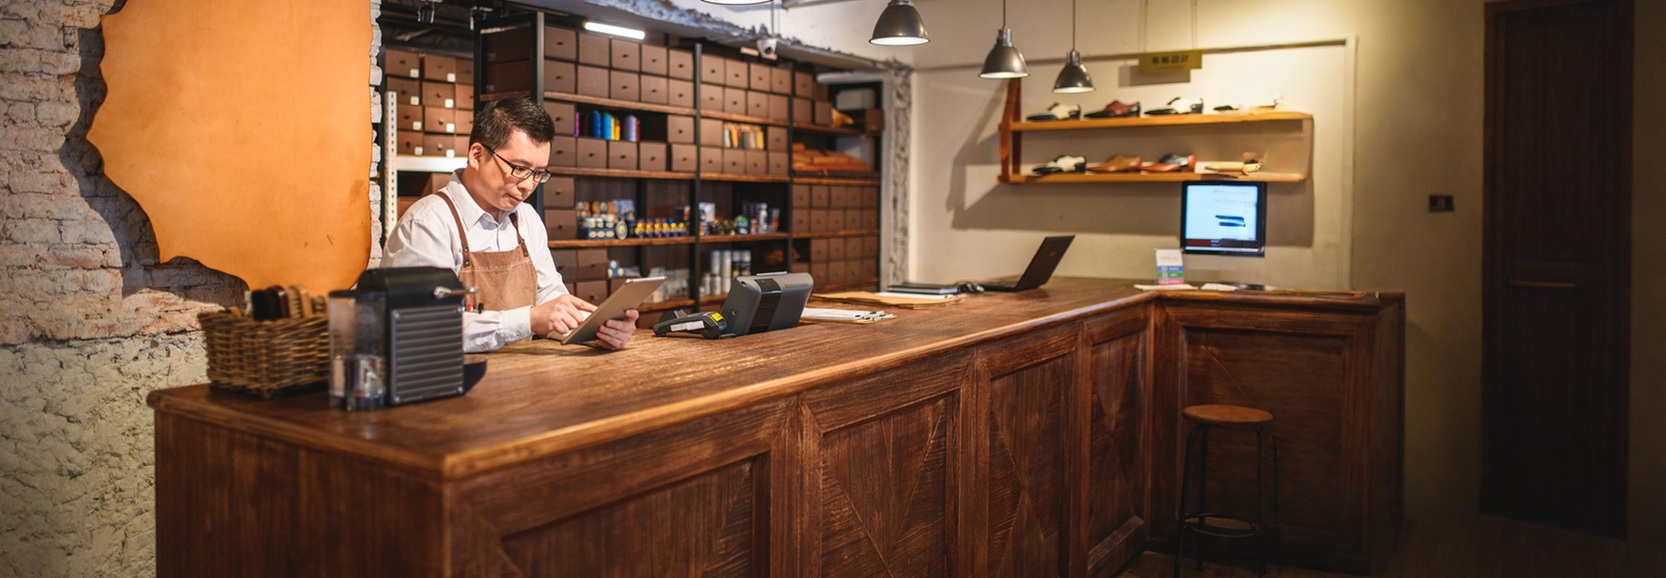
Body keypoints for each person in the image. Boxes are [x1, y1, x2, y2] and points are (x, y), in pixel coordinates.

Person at [384, 95, 638, 352]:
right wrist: (529, 320)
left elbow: (549, 297)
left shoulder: (526, 219)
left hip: (522, 381)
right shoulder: (427, 224)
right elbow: (425, 328)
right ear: (476, 154)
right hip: (452, 383)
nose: (528, 184)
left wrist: (597, 328)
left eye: (538, 173)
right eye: (518, 167)